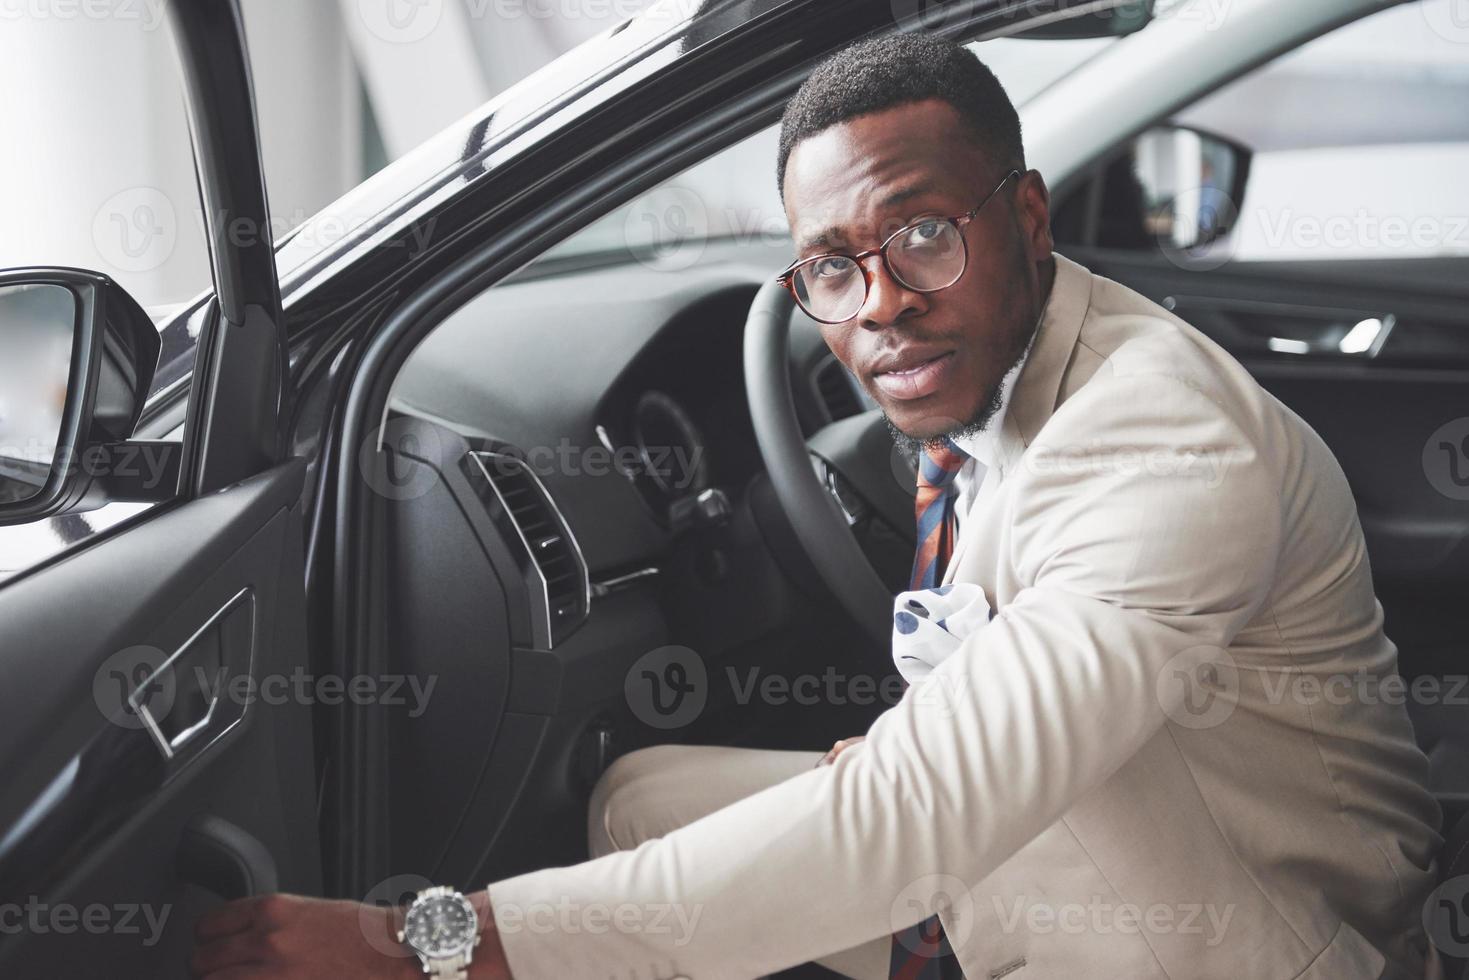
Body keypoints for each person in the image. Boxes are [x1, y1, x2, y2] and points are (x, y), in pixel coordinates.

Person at [190, 34, 1442, 980]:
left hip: (1254, 925)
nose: (879, 305)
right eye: (832, 269)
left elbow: (910, 813)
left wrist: (429, 943)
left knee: (857, 821)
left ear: (1026, 215)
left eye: (923, 236)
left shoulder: (1159, 440)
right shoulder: (991, 382)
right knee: (634, 797)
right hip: (1051, 837)